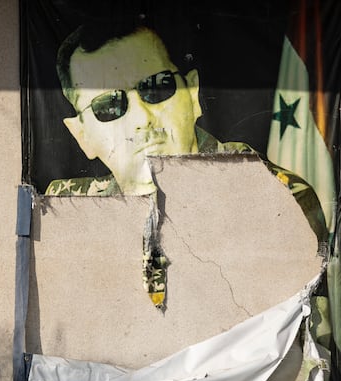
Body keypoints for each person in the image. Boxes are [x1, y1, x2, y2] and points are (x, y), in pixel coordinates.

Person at [45, 22, 328, 308]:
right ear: (82, 136)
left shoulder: (272, 196)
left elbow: (300, 340)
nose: (143, 119)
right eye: (108, 106)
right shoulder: (65, 214)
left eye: (156, 87)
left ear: (192, 93)